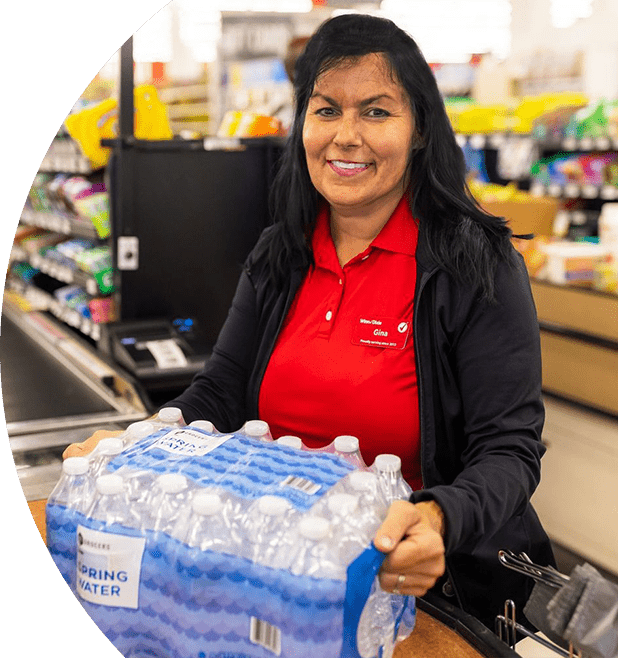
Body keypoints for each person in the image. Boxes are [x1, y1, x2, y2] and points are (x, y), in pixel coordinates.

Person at [64, 13, 555, 630]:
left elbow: (508, 451)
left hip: (425, 592)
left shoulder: (473, 266)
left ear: (421, 129)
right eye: (326, 111)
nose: (346, 136)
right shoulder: (281, 253)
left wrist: (439, 517)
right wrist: (136, 445)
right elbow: (220, 390)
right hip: (281, 575)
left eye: (376, 112)